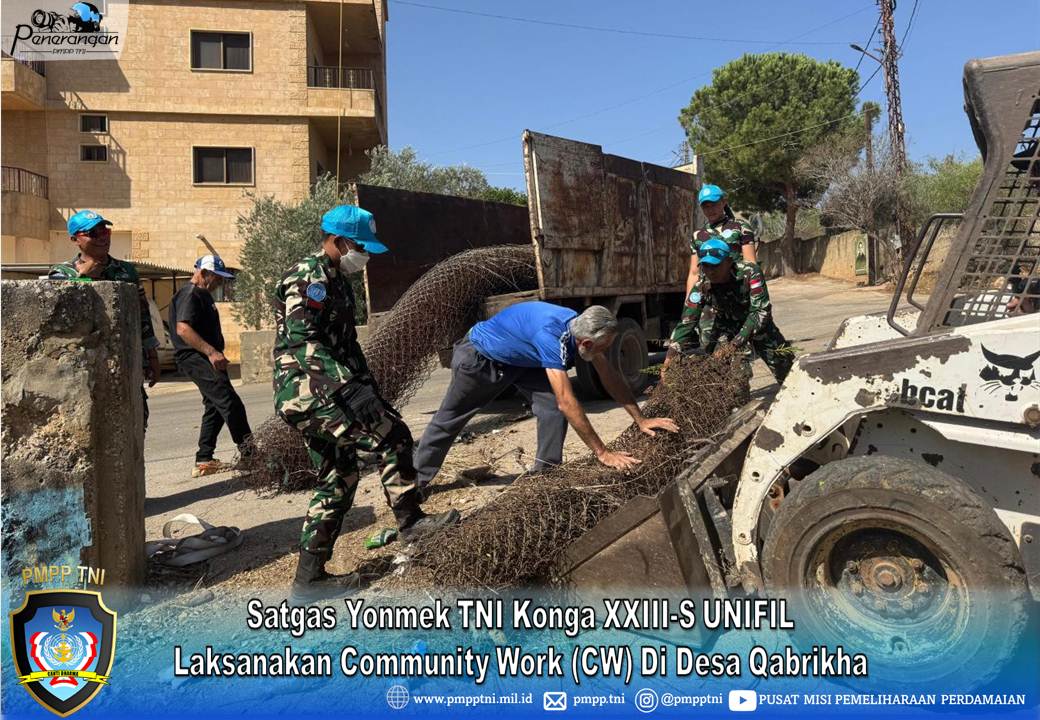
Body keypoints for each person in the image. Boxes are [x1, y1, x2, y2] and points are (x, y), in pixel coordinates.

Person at [273, 204, 459, 603]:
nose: (365, 255)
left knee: (338, 476)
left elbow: (346, 345)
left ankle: (308, 582)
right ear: (339, 241)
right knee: (393, 437)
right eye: (360, 247)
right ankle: (412, 524)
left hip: (325, 390)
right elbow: (303, 342)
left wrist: (368, 388)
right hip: (308, 391)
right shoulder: (308, 277)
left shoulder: (336, 280)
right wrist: (350, 390)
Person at [414, 302, 680, 488]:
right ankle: (415, 482)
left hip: (519, 360)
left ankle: (545, 475)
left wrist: (640, 419)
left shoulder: (580, 326)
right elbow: (568, 402)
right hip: (480, 357)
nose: (604, 353)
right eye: (602, 348)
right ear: (586, 343)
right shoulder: (551, 338)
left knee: (550, 408)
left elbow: (609, 376)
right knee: (450, 419)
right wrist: (602, 452)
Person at [49, 210, 160, 428]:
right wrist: (85, 278)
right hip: (83, 366)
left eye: (105, 231)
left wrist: (152, 356)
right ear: (75, 239)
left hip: (124, 360)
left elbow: (142, 315)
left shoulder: (126, 271)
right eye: (93, 233)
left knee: (134, 423)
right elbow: (62, 316)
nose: (102, 237)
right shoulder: (62, 273)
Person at [170, 255, 254, 477]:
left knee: (215, 406)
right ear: (203, 273)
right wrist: (211, 352)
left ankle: (204, 459)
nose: (219, 282)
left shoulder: (203, 295)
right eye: (216, 277)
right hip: (196, 357)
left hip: (206, 357)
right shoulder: (190, 294)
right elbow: (182, 329)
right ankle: (251, 456)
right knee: (230, 403)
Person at [667, 238, 794, 385]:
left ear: (728, 261)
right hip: (727, 328)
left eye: (715, 265)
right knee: (731, 375)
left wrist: (734, 345)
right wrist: (669, 357)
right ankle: (738, 395)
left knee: (788, 374)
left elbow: (760, 311)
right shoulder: (701, 286)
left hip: (757, 324)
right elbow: (687, 322)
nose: (710, 271)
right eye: (706, 266)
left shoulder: (750, 273)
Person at [684, 184, 758, 302]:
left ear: (723, 202)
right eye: (706, 206)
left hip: (738, 293)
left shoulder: (741, 227)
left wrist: (755, 297)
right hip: (711, 297)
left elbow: (751, 265)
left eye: (714, 204)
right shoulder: (697, 236)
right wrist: (688, 301)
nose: (710, 210)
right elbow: (694, 273)